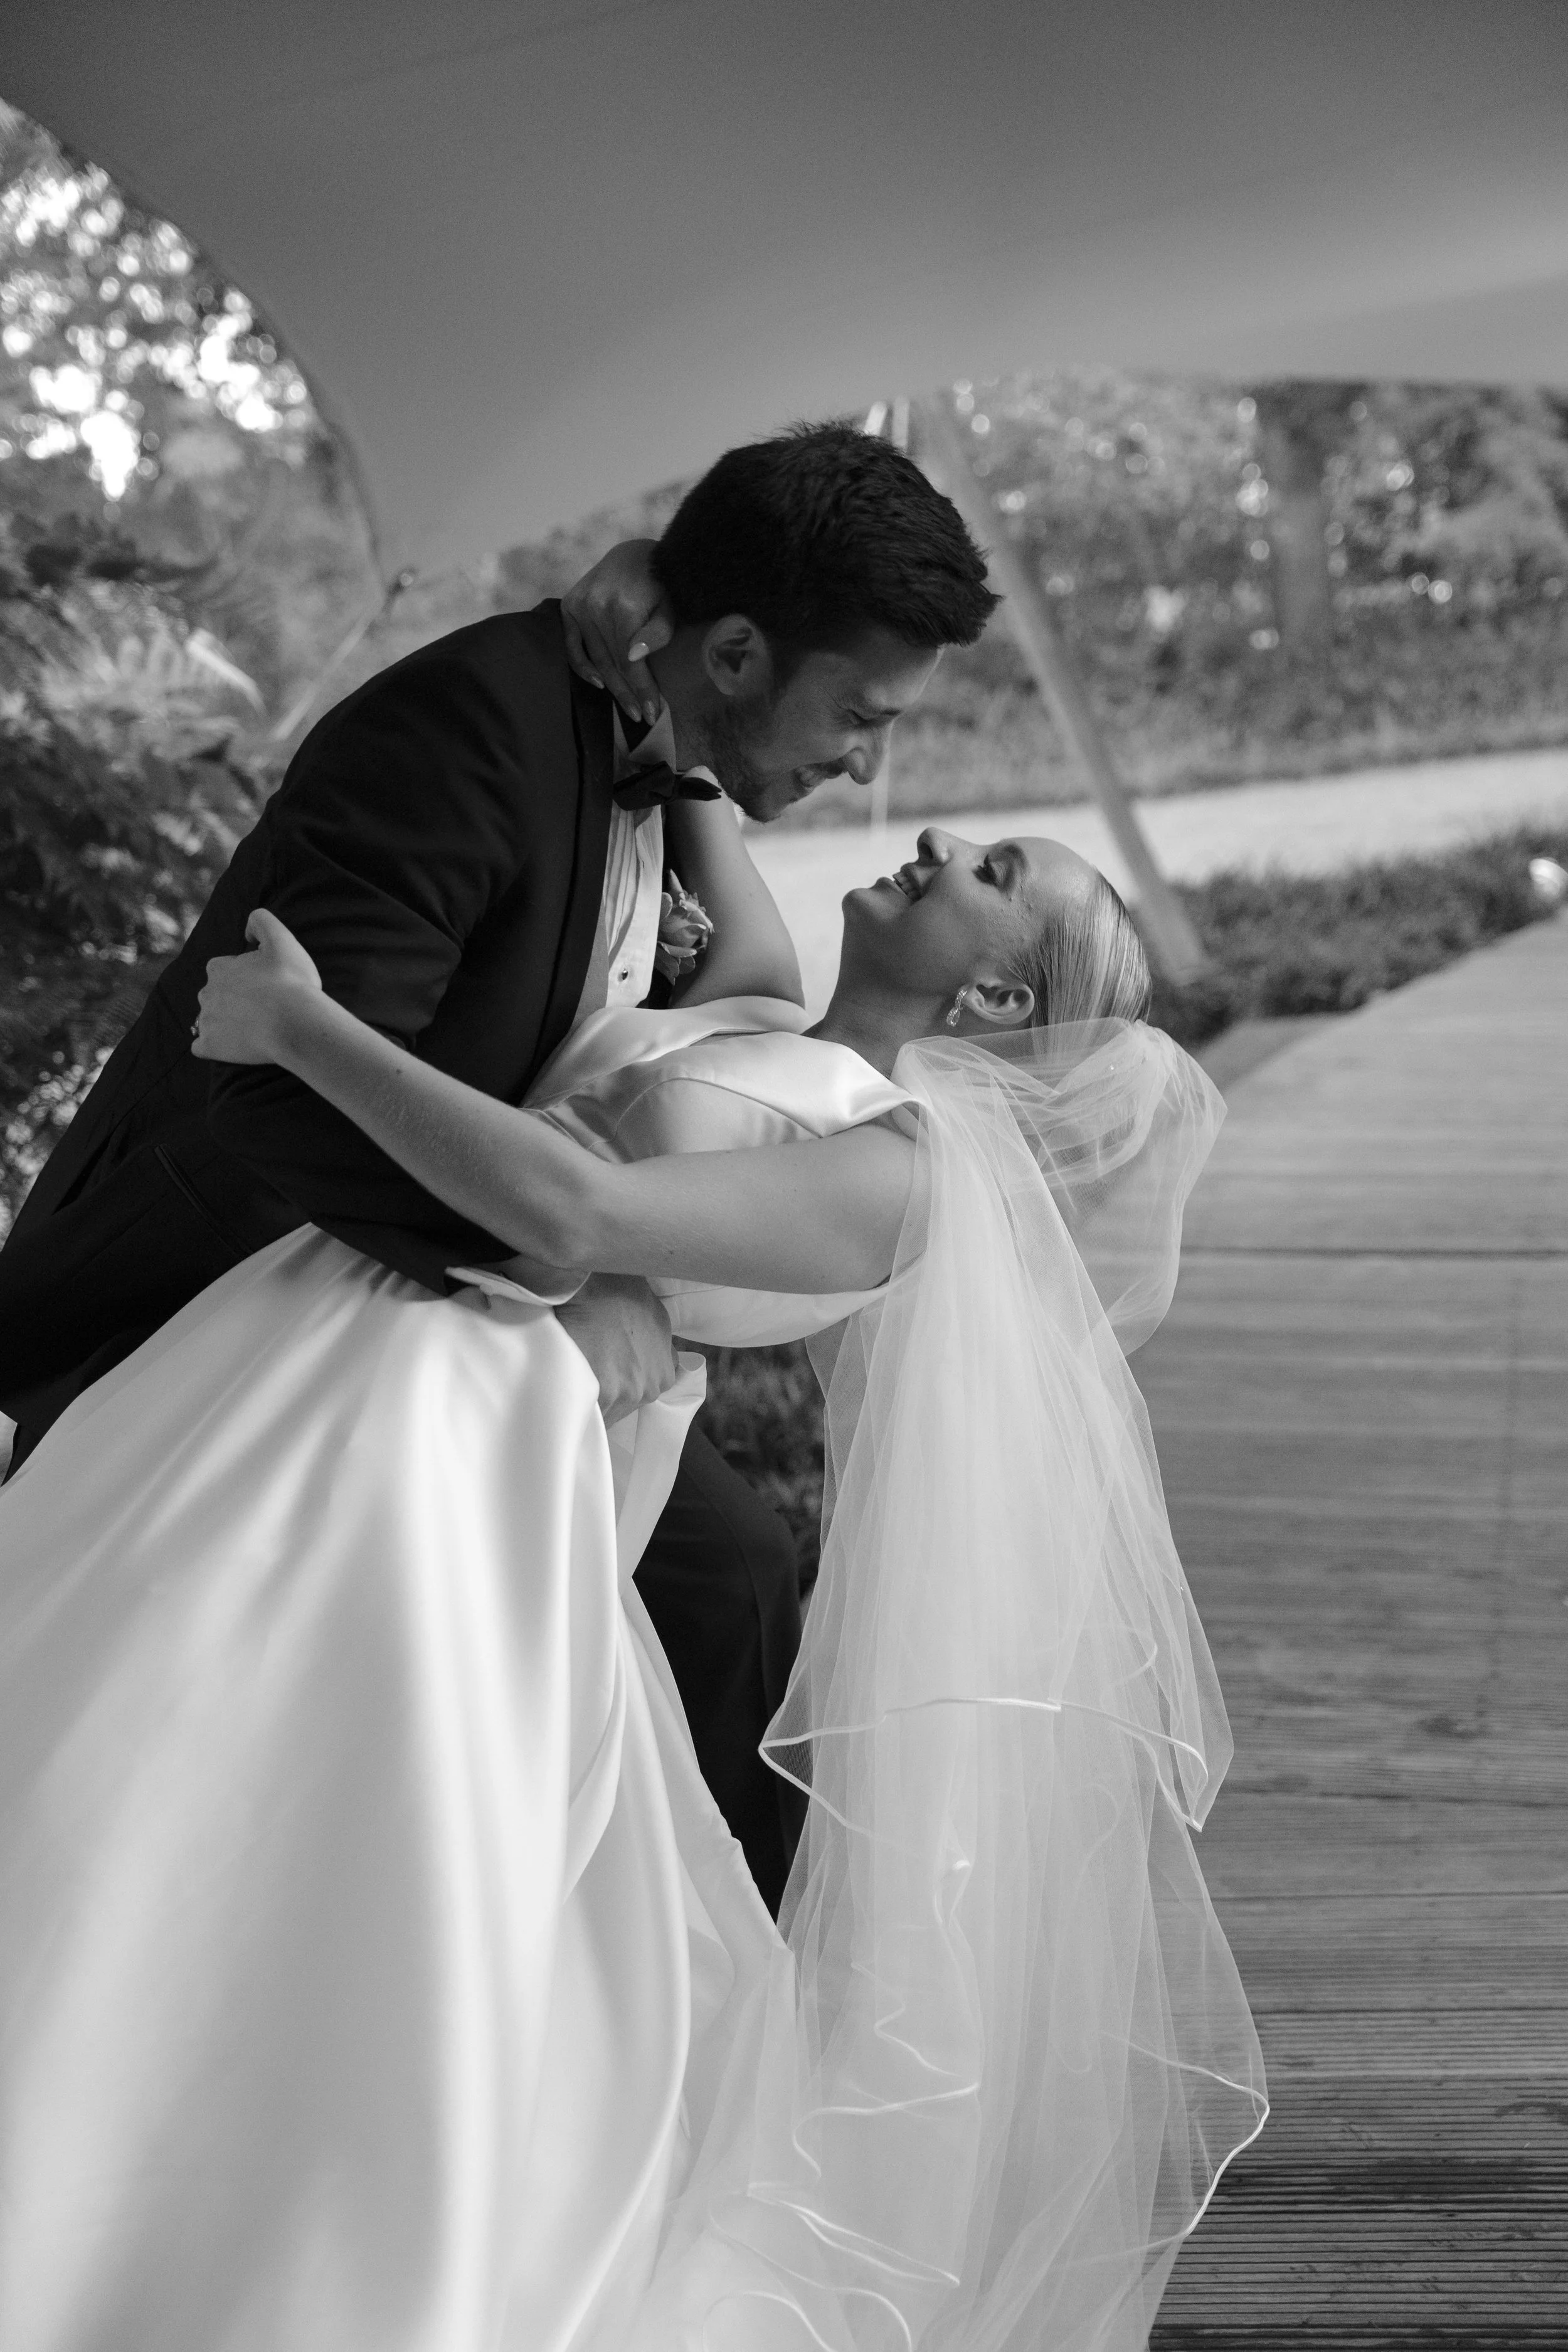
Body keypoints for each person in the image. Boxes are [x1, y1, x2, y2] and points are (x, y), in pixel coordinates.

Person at [0, 825, 1266, 2350]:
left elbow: (578, 1219)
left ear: (996, 1006)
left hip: (474, 1447)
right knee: (141, 1731)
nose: (936, 838)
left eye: (991, 873)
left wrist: (303, 1030)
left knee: (292, 1787)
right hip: (335, 1346)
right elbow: (697, 787)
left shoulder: (893, 1173)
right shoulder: (768, 1019)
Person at [0, 422, 998, 1912]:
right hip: (231, 1283)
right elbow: (267, 1093)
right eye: (858, 712)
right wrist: (550, 1277)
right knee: (236, 1743)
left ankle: (743, 2006)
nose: (869, 763)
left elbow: (654, 1021)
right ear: (730, 653)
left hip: (460, 1303)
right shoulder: (466, 730)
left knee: (723, 1588)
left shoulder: (651, 740)